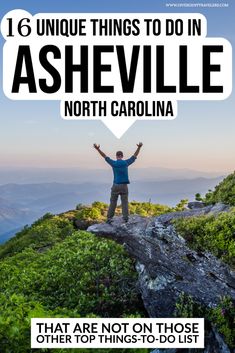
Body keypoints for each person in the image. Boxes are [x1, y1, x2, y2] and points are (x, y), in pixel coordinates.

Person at [93, 142, 143, 223]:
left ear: (116, 156)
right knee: (125, 202)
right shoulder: (126, 162)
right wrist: (139, 147)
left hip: (115, 185)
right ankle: (126, 218)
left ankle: (109, 218)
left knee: (113, 202)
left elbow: (104, 156)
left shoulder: (114, 163)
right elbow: (135, 156)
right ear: (122, 156)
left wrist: (98, 149)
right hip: (124, 186)